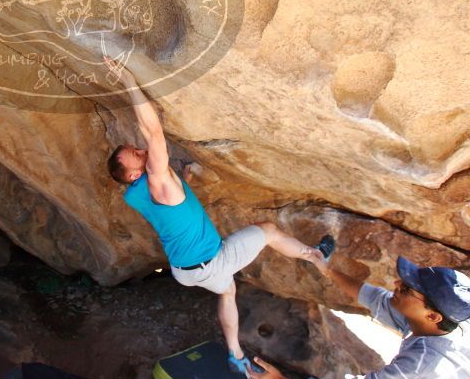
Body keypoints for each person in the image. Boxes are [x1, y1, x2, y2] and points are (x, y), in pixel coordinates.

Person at [102, 56, 332, 375]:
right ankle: (316, 256)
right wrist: (128, 80)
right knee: (266, 230)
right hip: (211, 261)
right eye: (135, 156)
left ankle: (235, 355)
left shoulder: (135, 194)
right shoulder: (156, 182)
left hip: (185, 269)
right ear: (132, 175)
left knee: (228, 291)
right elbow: (153, 132)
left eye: (136, 149)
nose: (141, 152)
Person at [247, 256, 470, 378]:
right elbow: (375, 298)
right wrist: (326, 269)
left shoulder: (419, 365)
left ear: (432, 316)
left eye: (406, 290)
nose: (396, 284)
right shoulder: (444, 323)